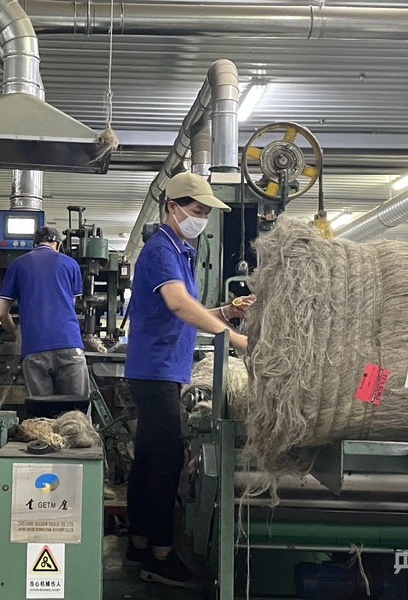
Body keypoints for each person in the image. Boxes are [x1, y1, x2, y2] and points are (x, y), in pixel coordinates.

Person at [124, 172, 254, 587]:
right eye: (197, 210)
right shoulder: (162, 248)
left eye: (205, 213)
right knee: (166, 460)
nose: (201, 218)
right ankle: (161, 556)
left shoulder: (180, 250)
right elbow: (180, 305)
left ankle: (140, 543)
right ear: (172, 207)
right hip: (156, 369)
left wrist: (226, 312)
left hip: (161, 368)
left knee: (149, 458)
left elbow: (185, 313)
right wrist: (235, 339)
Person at [0, 226, 90, 399]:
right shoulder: (71, 264)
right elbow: (70, 305)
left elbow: (2, 313)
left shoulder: (17, 264)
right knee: (77, 410)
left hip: (34, 348)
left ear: (34, 244)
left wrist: (15, 331)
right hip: (69, 344)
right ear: (58, 244)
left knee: (41, 413)